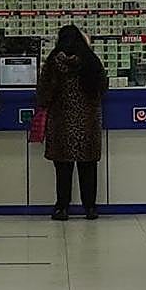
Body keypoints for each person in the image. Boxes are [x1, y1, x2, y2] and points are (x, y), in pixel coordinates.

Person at [37, 24, 108, 221]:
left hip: (61, 124)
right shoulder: (91, 61)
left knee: (63, 169)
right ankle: (90, 208)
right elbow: (102, 86)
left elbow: (44, 93)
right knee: (88, 168)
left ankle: (62, 207)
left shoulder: (53, 62)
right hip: (88, 124)